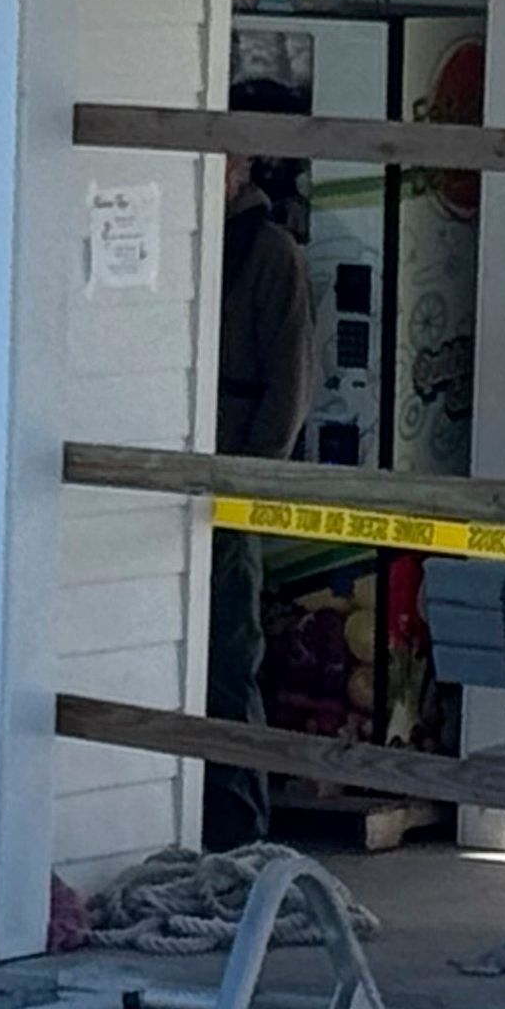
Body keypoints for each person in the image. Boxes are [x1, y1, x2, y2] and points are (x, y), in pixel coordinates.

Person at [203, 78, 319, 845]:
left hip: (231, 484)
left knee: (227, 660)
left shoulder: (271, 255)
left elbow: (291, 388)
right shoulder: (190, 248)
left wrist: (248, 485)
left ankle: (240, 835)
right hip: (176, 471)